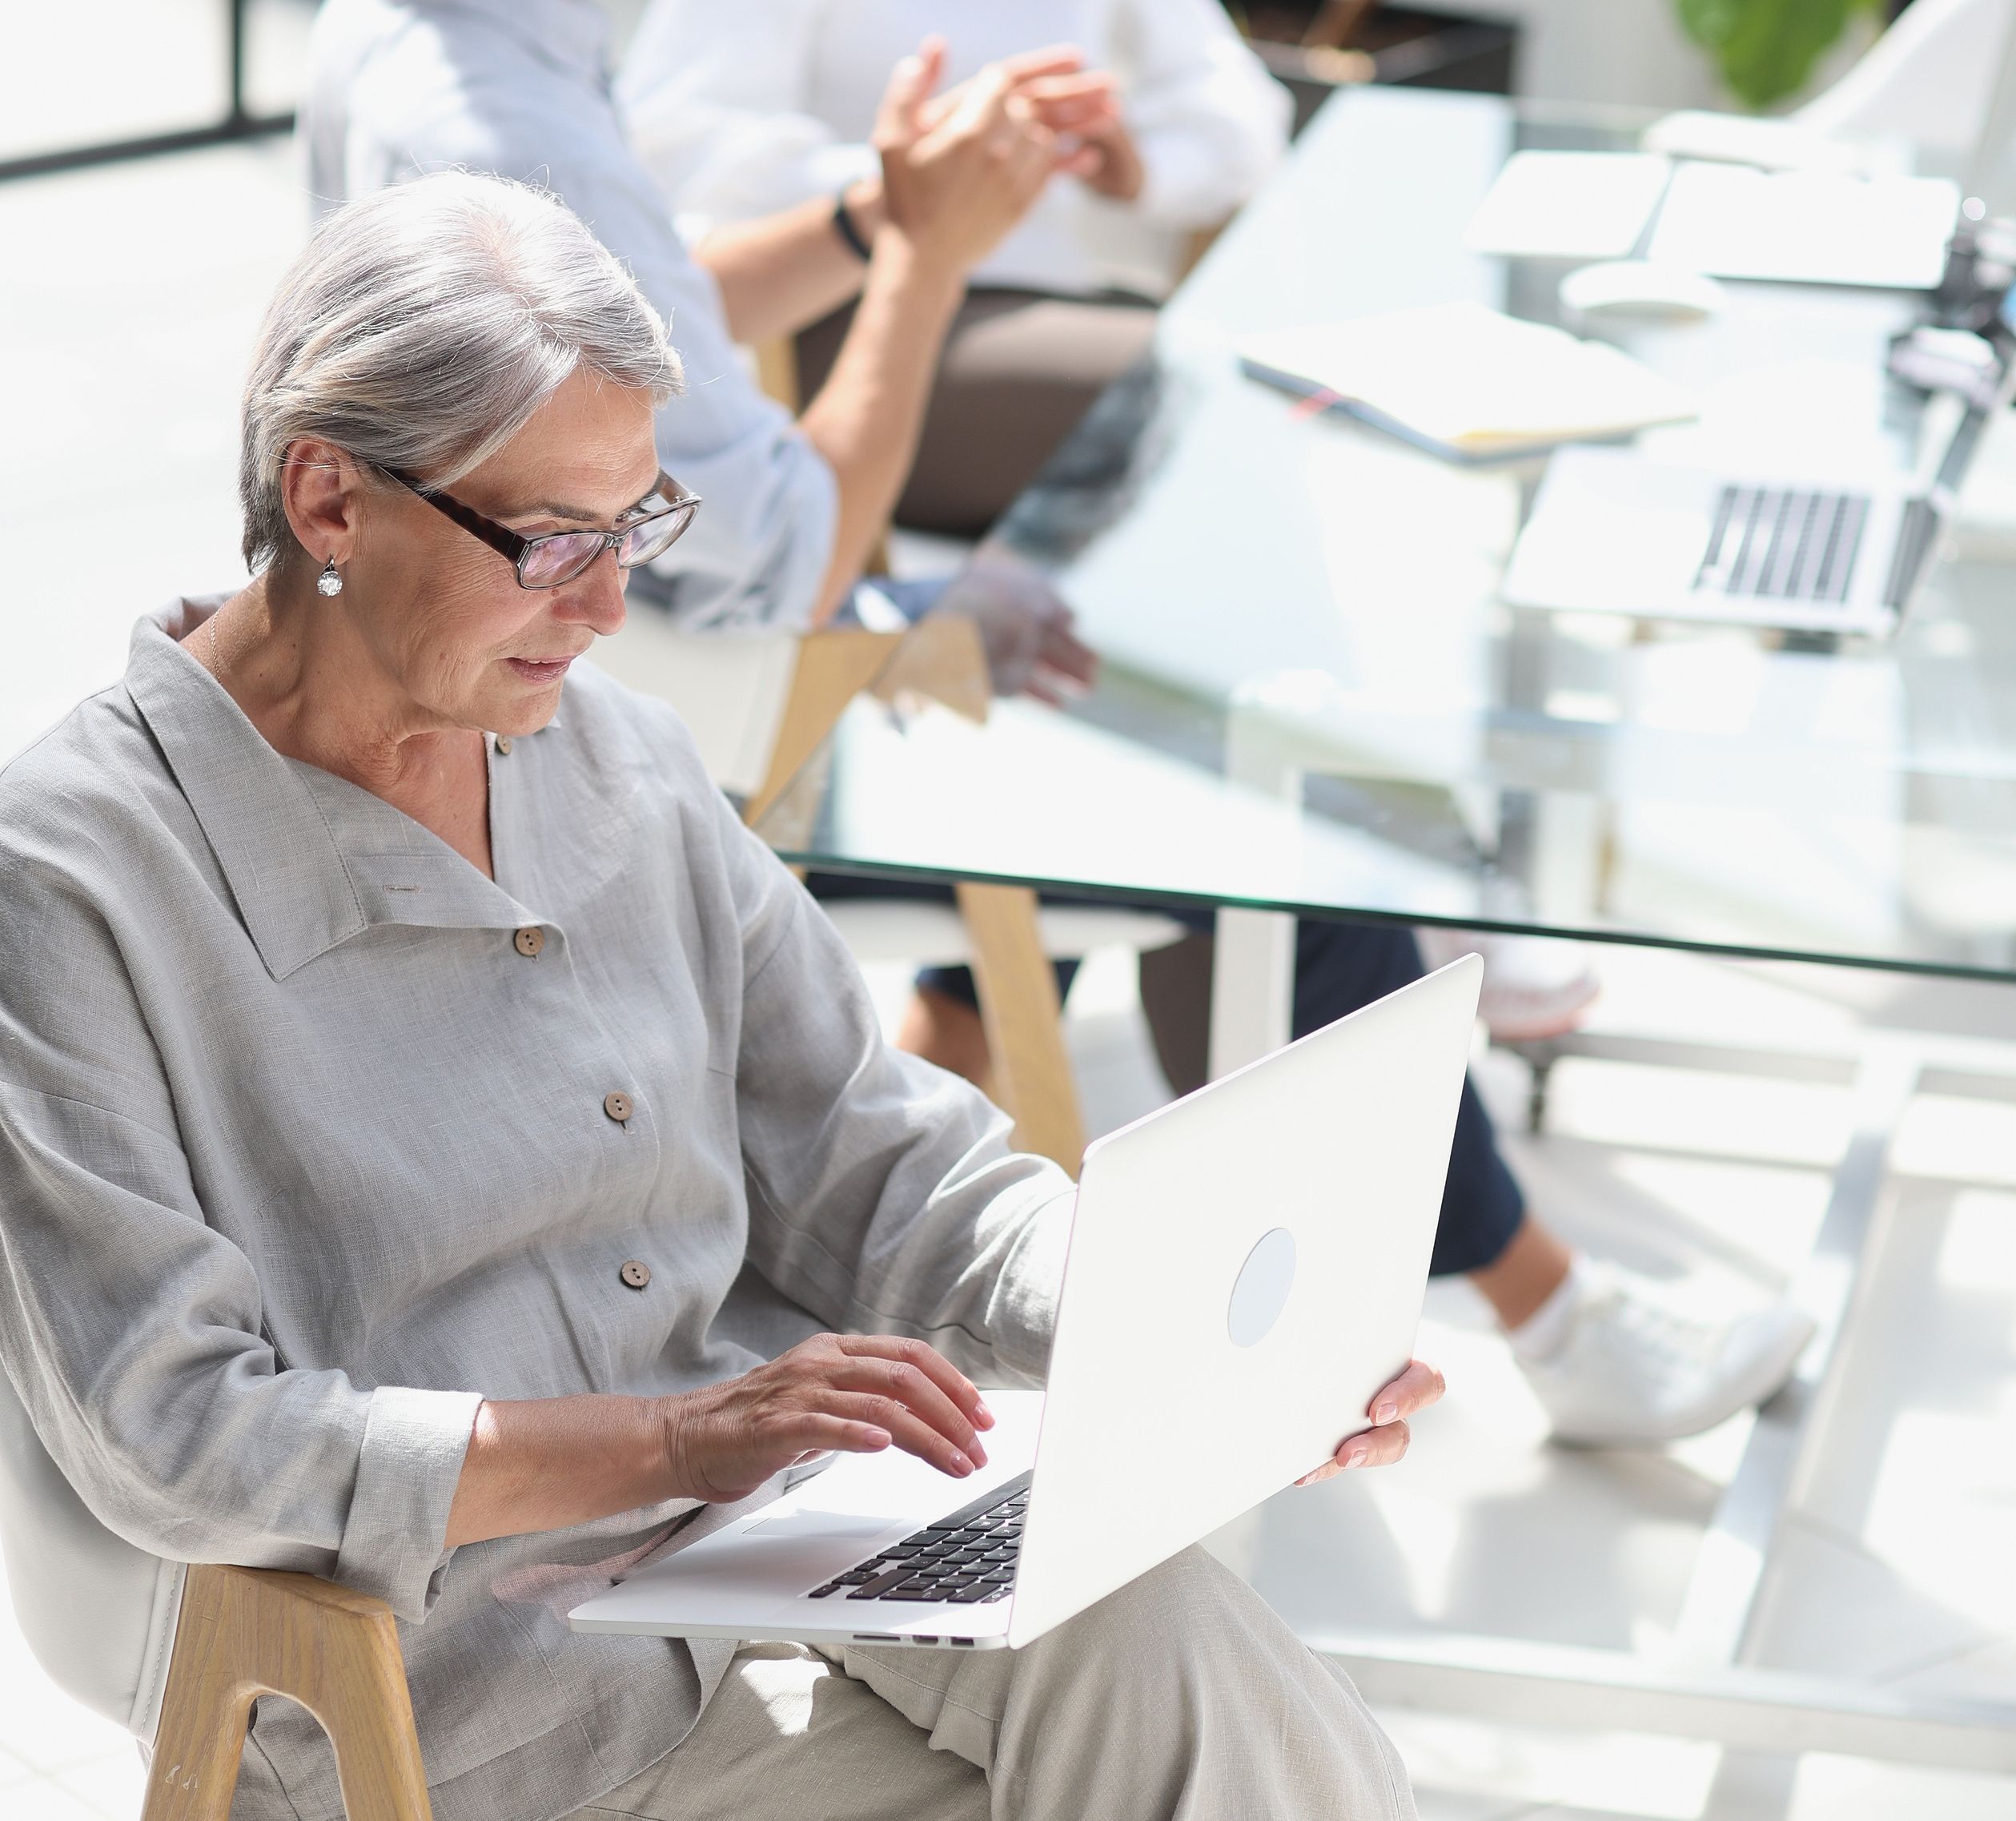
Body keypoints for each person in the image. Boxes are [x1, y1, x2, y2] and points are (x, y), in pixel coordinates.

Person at [0, 171, 1440, 1821]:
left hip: (799, 1532)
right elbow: (176, 1434)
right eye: (550, 540)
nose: (611, 606)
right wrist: (671, 1443)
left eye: (637, 526)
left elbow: (875, 1159)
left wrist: (1191, 1320)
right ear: (329, 500)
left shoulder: (614, 755)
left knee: (1191, 1663)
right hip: (487, 1680)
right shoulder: (70, 881)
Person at [303, 0, 1101, 670]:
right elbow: (790, 565)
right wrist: (926, 255)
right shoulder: (526, 133)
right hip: (612, 696)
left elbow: (638, 310)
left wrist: (883, 216)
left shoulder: (414, 31)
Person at [619, 0, 1294, 534]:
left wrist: (1141, 166)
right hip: (845, 315)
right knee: (1204, 400)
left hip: (1050, 305)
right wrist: (917, 175)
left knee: (1264, 381)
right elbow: (673, 145)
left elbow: (1245, 117)